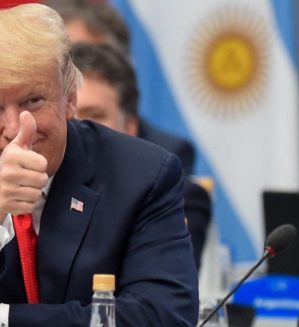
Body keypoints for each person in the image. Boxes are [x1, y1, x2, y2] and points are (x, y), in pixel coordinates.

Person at [0, 4, 198, 326]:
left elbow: (165, 315)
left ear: (70, 98)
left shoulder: (143, 174)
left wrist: (3, 320)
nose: (15, 130)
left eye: (33, 101)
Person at [71, 42, 211, 270]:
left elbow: (155, 300)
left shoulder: (169, 195)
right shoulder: (30, 193)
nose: (76, 128)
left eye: (94, 115)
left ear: (130, 127)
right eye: (67, 116)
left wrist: (6, 309)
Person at [44, 0, 196, 175]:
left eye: (89, 56)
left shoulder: (163, 159)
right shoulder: (21, 138)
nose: (75, 68)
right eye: (63, 59)